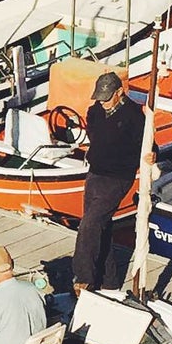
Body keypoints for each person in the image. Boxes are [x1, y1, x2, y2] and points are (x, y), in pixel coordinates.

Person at [72, 70, 146, 292]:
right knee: (100, 226)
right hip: (95, 173)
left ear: (119, 93)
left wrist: (152, 156)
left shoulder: (135, 116)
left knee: (89, 223)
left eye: (106, 98)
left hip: (118, 178)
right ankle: (110, 280)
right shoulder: (95, 112)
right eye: (99, 98)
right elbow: (94, 133)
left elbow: (149, 145)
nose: (102, 103)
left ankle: (83, 277)